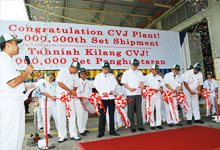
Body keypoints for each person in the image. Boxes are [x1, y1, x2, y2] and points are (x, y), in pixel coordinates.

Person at [0, 34, 34, 150]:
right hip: (9, 102)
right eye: (16, 44)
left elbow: (13, 84)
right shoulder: (3, 60)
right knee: (10, 136)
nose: (18, 46)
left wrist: (25, 88)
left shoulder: (9, 61)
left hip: (15, 100)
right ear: (7, 45)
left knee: (18, 135)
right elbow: (12, 83)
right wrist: (26, 73)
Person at [56, 61, 81, 143]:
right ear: (72, 67)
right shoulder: (62, 71)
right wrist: (70, 90)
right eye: (76, 70)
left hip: (70, 97)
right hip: (61, 97)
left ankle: (73, 134)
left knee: (72, 115)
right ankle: (62, 136)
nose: (77, 71)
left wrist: (73, 91)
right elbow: (59, 83)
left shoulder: (76, 75)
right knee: (61, 115)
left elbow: (76, 85)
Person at [93, 62, 120, 138]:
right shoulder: (98, 76)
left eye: (107, 69)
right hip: (103, 98)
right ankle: (101, 132)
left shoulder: (111, 76)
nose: (106, 71)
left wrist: (112, 90)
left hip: (111, 98)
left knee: (112, 115)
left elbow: (114, 85)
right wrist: (102, 92)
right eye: (105, 69)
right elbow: (97, 86)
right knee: (102, 116)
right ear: (102, 68)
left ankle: (112, 130)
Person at [121, 58, 145, 132]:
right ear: (130, 64)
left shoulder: (139, 72)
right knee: (130, 110)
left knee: (139, 110)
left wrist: (141, 85)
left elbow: (141, 81)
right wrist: (130, 88)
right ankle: (132, 126)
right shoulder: (126, 73)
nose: (135, 67)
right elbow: (124, 83)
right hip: (130, 93)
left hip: (138, 93)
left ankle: (140, 125)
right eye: (134, 65)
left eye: (136, 66)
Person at [144, 64, 164, 130]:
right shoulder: (147, 77)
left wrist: (161, 88)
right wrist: (152, 89)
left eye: (157, 71)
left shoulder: (159, 77)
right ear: (152, 69)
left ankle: (158, 124)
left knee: (158, 109)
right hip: (150, 96)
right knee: (151, 110)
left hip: (158, 95)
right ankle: (152, 124)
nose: (156, 72)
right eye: (155, 70)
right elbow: (145, 86)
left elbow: (161, 85)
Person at [39, 72, 59, 138]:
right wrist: (53, 97)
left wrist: (56, 97)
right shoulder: (43, 84)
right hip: (46, 103)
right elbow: (44, 93)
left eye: (52, 77)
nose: (51, 79)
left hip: (53, 102)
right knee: (46, 118)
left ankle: (60, 131)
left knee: (57, 117)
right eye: (50, 77)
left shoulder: (54, 84)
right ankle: (47, 133)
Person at [75, 68, 92, 136]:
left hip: (87, 100)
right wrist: (81, 99)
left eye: (84, 74)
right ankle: (81, 130)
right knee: (80, 115)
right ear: (79, 75)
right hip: (79, 101)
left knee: (85, 115)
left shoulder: (88, 82)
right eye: (82, 74)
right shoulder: (77, 82)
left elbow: (90, 91)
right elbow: (77, 92)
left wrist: (90, 99)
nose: (83, 75)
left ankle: (84, 128)